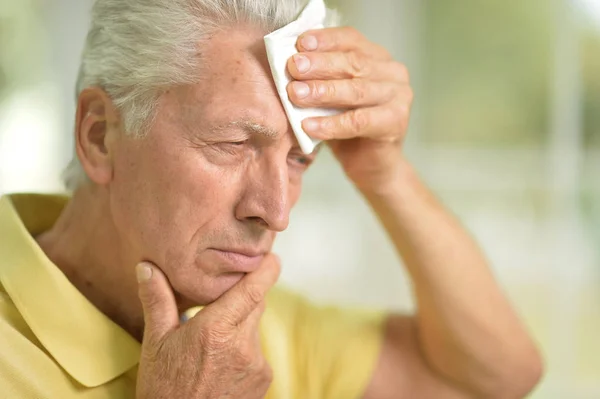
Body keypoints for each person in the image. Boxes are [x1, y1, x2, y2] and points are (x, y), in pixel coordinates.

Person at [0, 0, 544, 398]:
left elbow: (496, 377)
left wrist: (385, 173)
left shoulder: (246, 337)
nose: (276, 212)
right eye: (234, 143)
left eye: (299, 159)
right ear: (100, 136)